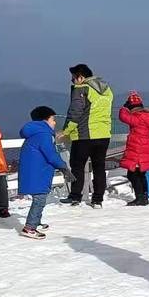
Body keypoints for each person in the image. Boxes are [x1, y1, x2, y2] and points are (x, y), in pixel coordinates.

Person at [58, 63, 114, 208]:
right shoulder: (106, 91)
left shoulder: (81, 89)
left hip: (84, 135)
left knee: (77, 166)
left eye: (73, 78)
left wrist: (65, 131)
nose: (72, 81)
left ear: (81, 77)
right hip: (103, 135)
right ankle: (97, 199)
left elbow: (75, 113)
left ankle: (76, 196)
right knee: (99, 167)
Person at [17, 107, 72, 239]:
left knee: (40, 197)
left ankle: (36, 221)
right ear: (44, 120)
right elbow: (51, 154)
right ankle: (30, 227)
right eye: (53, 119)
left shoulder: (36, 133)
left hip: (34, 170)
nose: (54, 123)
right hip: (38, 172)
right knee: (40, 198)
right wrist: (64, 167)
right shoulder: (44, 135)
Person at [118, 91, 149, 208]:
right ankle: (144, 196)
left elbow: (123, 116)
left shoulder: (137, 117)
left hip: (137, 148)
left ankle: (140, 197)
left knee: (133, 175)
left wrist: (124, 107)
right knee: (141, 174)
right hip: (145, 147)